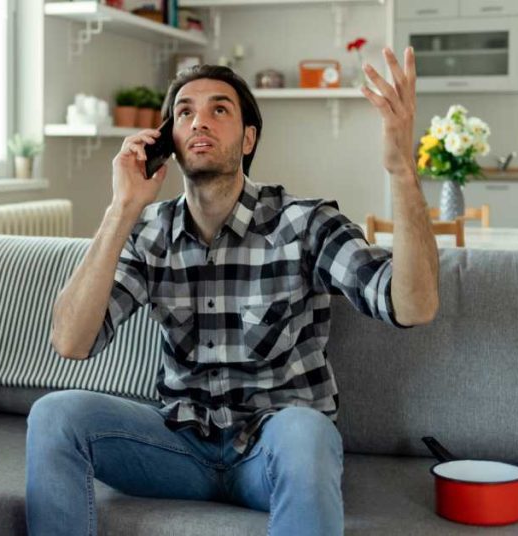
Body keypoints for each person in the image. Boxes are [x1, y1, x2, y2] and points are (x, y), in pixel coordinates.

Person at [28, 47, 438, 535]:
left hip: (274, 451)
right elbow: (71, 342)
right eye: (185, 112)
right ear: (169, 142)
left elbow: (413, 305)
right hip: (178, 450)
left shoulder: (304, 223)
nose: (199, 120)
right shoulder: (149, 233)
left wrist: (400, 169)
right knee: (55, 414)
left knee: (307, 430)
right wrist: (121, 209)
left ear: (248, 139)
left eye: (218, 109)